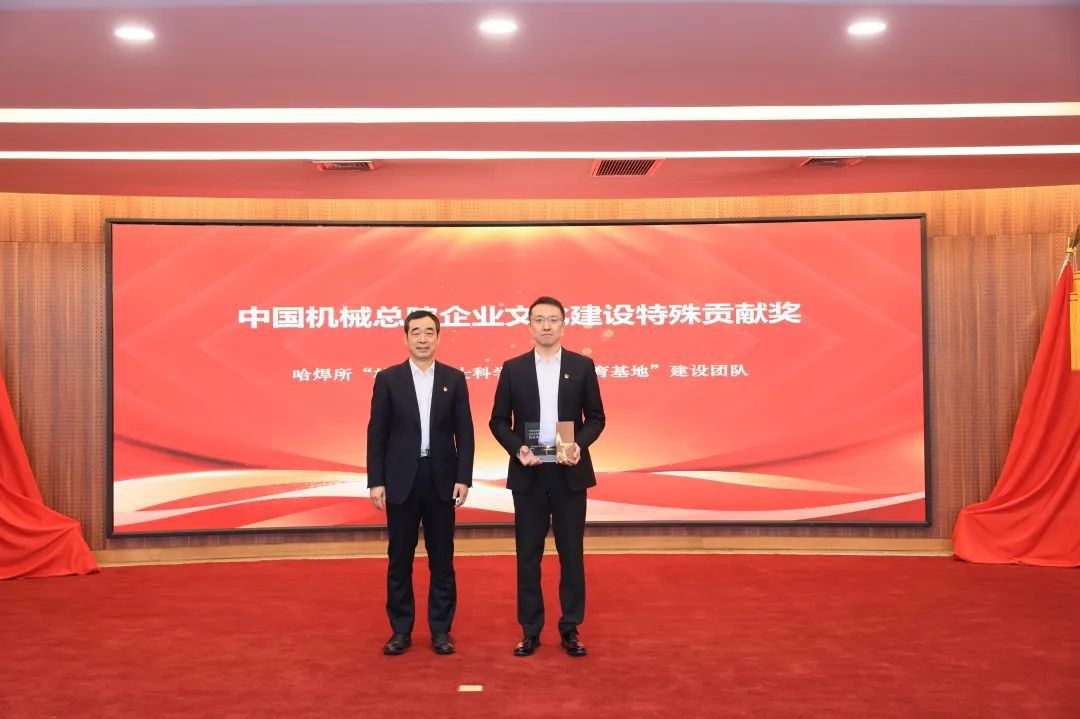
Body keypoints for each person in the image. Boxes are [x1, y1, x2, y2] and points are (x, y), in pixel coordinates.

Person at [489, 296, 605, 657]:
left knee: (571, 553)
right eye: (539, 319)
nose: (546, 326)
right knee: (528, 555)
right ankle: (530, 630)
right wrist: (518, 449)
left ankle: (570, 628)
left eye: (553, 319)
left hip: (570, 471)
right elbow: (498, 421)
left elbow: (596, 418)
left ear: (563, 325)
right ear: (529, 325)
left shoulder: (582, 366)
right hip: (530, 472)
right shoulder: (514, 368)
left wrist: (578, 445)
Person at [367, 309, 474, 655]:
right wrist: (376, 480)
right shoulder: (388, 378)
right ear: (406, 338)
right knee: (400, 558)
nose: (423, 339)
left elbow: (465, 433)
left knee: (442, 559)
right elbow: (377, 433)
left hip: (441, 478)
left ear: (438, 337)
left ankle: (440, 630)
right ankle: (400, 630)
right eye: (416, 332)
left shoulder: (454, 378)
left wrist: (463, 477)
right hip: (400, 480)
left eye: (429, 332)